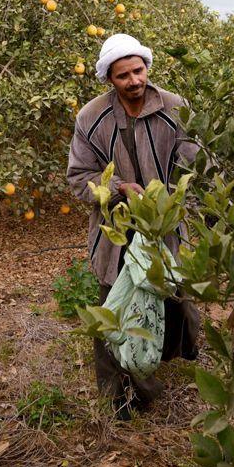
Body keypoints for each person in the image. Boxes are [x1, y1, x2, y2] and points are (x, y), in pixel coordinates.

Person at [66, 33, 201, 418]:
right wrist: (119, 188)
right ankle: (122, 399)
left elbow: (194, 165)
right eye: (123, 75)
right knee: (116, 306)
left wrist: (170, 200)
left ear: (147, 68)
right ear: (110, 79)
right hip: (116, 230)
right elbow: (79, 178)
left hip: (165, 225)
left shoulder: (174, 108)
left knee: (173, 298)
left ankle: (172, 352)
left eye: (138, 71)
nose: (133, 81)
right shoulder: (91, 118)